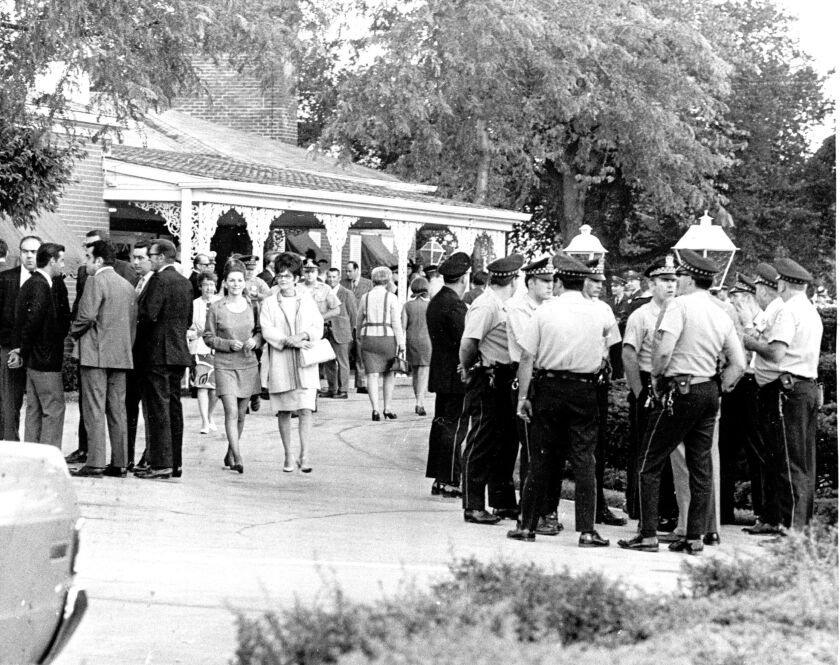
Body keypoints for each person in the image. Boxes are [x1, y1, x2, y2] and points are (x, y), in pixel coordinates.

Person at [618, 249, 745, 555]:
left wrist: (658, 381)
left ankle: (647, 534)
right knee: (700, 465)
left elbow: (662, 353)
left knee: (649, 460)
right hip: (708, 391)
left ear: (688, 278)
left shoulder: (679, 306)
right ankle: (694, 537)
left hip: (680, 388)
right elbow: (738, 363)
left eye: (680, 276)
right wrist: (721, 387)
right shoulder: (720, 311)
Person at [507, 254, 615, 546]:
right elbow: (609, 344)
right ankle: (587, 530)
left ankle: (527, 525)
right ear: (583, 282)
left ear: (558, 281)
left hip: (549, 386)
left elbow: (527, 356)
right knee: (584, 459)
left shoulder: (544, 312)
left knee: (540, 458)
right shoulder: (600, 312)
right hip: (585, 388)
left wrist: (523, 397)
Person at [745, 258, 823, 533]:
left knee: (789, 459)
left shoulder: (789, 311)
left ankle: (792, 528)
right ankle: (789, 522)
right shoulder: (810, 310)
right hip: (805, 388)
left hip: (788, 390)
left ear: (783, 283)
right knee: (799, 459)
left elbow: (776, 353)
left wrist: (750, 342)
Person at [459, 254, 524, 525]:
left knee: (506, 442)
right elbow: (468, 343)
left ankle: (502, 501)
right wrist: (468, 367)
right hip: (489, 377)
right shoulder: (486, 306)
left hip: (504, 377)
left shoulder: (501, 304)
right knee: (482, 440)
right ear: (513, 279)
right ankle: (473, 504)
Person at [65, 230, 135, 464]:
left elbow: (86, 317)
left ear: (99, 260)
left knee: (94, 409)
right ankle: (120, 463)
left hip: (95, 354)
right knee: (117, 410)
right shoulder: (127, 285)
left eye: (88, 257)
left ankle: (95, 462)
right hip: (121, 355)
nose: (85, 263)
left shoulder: (95, 281)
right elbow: (132, 326)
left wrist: (73, 333)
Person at [621, 257, 679, 526]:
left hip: (670, 382)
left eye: (673, 281)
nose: (670, 286)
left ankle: (667, 508)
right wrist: (639, 392)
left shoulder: (679, 311)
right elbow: (629, 354)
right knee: (645, 449)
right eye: (664, 281)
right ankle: (638, 506)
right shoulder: (641, 315)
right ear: (651, 284)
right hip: (646, 382)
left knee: (668, 450)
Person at [505, 257, 558, 534]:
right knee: (531, 449)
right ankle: (529, 512)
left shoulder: (552, 308)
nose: (551, 286)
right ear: (531, 282)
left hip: (549, 377)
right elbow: (530, 348)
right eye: (545, 281)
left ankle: (547, 509)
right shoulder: (517, 308)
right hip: (527, 376)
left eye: (552, 281)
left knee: (549, 449)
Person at [134, 239, 193, 480]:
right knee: (173, 408)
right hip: (178, 351)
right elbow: (188, 319)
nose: (149, 258)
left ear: (161, 257)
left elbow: (149, 314)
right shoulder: (185, 281)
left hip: (157, 353)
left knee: (158, 409)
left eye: (151, 255)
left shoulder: (159, 279)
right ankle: (174, 462)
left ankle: (161, 463)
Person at [260, 253, 324, 473]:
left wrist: (303, 336)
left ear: (297, 278)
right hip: (280, 361)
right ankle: (288, 454)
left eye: (287, 276)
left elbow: (318, 326)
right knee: (284, 411)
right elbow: (266, 329)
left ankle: (305, 455)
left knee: (306, 408)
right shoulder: (269, 302)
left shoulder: (307, 300)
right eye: (280, 276)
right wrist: (288, 341)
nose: (283, 280)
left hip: (304, 362)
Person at [203, 261, 262, 474]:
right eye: (231, 281)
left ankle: (230, 451)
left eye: (239, 280)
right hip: (224, 364)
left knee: (241, 415)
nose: (236, 284)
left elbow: (259, 331)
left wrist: (255, 340)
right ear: (225, 283)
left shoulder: (253, 305)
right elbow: (208, 337)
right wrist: (227, 344)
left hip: (247, 364)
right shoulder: (216, 307)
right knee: (231, 411)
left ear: (244, 282)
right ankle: (238, 457)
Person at [719, 272, 766, 526]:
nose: (733, 303)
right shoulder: (735, 320)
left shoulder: (762, 321)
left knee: (755, 449)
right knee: (726, 448)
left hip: (753, 385)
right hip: (734, 387)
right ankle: (723, 510)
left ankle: (761, 511)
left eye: (737, 298)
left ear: (748, 299)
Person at [582, 259, 627, 527]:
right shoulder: (571, 307)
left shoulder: (604, 309)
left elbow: (614, 346)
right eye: (593, 281)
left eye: (601, 282)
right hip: (574, 378)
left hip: (597, 380)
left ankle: (598, 506)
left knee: (597, 445)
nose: (599, 286)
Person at [13, 243, 70, 447]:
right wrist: (24, 349)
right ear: (52, 260)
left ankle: (33, 457)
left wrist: (23, 350)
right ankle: (48, 460)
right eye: (61, 260)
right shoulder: (41, 285)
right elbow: (33, 322)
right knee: (54, 409)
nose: (63, 265)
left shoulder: (31, 282)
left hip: (34, 359)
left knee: (35, 410)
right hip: (45, 360)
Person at [424, 252, 471, 499]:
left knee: (442, 424)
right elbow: (466, 341)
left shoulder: (436, 301)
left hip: (440, 372)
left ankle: (440, 477)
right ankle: (451, 479)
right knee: (455, 426)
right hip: (456, 374)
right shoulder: (455, 305)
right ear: (464, 278)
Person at [0, 235, 41, 440]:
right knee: (9, 401)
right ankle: (9, 444)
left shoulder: (48, 280)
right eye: (25, 251)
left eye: (34, 252)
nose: (30, 256)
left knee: (37, 403)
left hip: (37, 351)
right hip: (10, 347)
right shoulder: (6, 278)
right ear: (20, 253)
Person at [356, 266, 405, 420]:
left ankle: (375, 410)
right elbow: (396, 323)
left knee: (372, 375)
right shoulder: (391, 297)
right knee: (389, 373)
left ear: (373, 279)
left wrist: (358, 335)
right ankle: (387, 408)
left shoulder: (365, 297)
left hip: (369, 338)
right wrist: (401, 343)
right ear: (388, 280)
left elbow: (359, 319)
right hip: (387, 338)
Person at [127, 240, 155, 469]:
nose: (136, 262)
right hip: (132, 356)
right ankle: (126, 455)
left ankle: (149, 455)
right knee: (129, 407)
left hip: (148, 357)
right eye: (133, 258)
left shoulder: (155, 283)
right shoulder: (136, 282)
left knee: (149, 410)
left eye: (141, 258)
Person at [188, 272, 221, 434]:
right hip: (200, 350)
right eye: (205, 285)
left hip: (218, 349)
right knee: (202, 385)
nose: (209, 288)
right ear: (200, 287)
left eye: (211, 284)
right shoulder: (194, 305)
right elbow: (188, 330)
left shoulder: (221, 303)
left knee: (215, 388)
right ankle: (204, 421)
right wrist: (196, 334)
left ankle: (210, 415)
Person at [321, 267, 357, 399]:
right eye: (329, 277)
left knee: (342, 361)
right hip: (326, 331)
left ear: (339, 277)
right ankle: (332, 388)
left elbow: (353, 314)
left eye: (334, 277)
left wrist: (349, 330)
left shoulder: (346, 293)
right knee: (328, 361)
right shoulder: (324, 292)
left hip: (341, 331)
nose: (331, 279)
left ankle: (343, 390)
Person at [402, 277, 432, 415]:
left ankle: (417, 399)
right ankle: (420, 402)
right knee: (424, 372)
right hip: (427, 340)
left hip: (411, 340)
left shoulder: (407, 305)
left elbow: (403, 326)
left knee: (415, 372)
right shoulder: (431, 305)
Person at [342, 261, 373, 394]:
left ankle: (361, 383)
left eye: (350, 271)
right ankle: (342, 384)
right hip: (347, 323)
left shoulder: (368, 283)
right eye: (346, 271)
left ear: (357, 270)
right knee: (345, 353)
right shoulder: (343, 284)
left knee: (361, 354)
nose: (348, 274)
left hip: (361, 322)